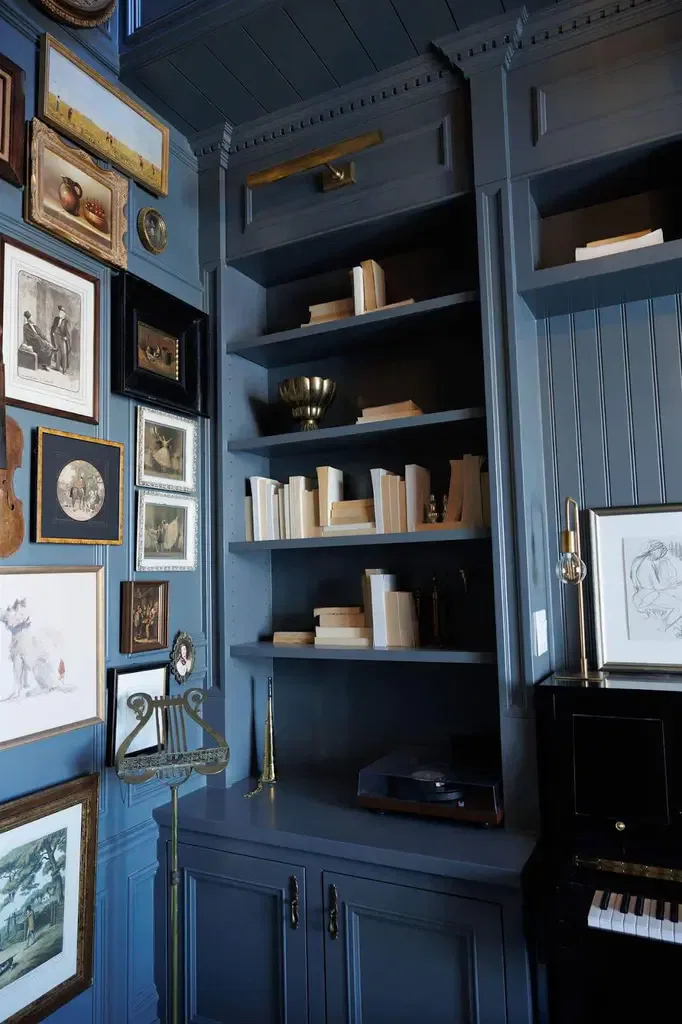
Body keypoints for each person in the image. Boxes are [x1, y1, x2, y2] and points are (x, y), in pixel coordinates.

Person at [51, 305, 70, 373]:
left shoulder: (66, 321)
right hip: (56, 336)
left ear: (64, 314)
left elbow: (67, 330)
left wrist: (65, 337)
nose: (60, 314)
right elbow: (53, 326)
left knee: (64, 353)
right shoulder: (56, 318)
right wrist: (53, 332)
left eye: (61, 313)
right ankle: (57, 367)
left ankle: (64, 369)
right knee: (58, 352)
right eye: (59, 312)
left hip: (62, 338)